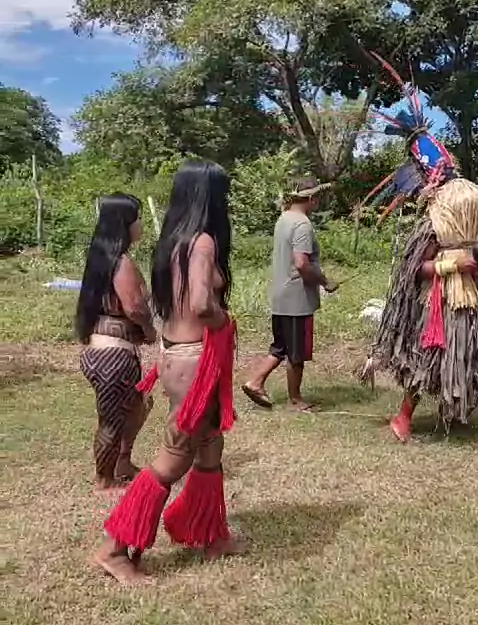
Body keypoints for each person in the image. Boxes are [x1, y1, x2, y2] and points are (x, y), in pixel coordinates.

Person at [92, 160, 246, 585]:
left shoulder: (175, 240)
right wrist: (223, 322)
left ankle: (211, 534)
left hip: (182, 356)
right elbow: (201, 304)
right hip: (194, 362)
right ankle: (113, 549)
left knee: (210, 445)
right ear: (209, 197)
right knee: (173, 459)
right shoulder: (203, 243)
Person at [357, 56, 478, 441]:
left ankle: (453, 411)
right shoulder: (434, 218)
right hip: (439, 300)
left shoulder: (460, 208)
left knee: (466, 353)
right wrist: (453, 265)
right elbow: (415, 270)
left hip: (468, 295)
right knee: (431, 353)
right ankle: (404, 417)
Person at [76, 193, 156, 490]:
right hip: (113, 355)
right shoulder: (120, 263)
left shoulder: (102, 260)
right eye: (138, 218)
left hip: (104, 350)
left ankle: (122, 462)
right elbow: (134, 307)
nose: (140, 224)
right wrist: (148, 328)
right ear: (125, 223)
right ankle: (104, 479)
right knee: (111, 420)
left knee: (139, 405)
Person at [242, 178, 337, 411]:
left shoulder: (284, 218)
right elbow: (302, 263)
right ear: (312, 199)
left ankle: (255, 382)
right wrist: (325, 281)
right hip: (297, 299)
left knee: (281, 346)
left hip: (280, 295)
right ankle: (295, 400)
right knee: (297, 352)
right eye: (318, 199)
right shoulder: (302, 225)